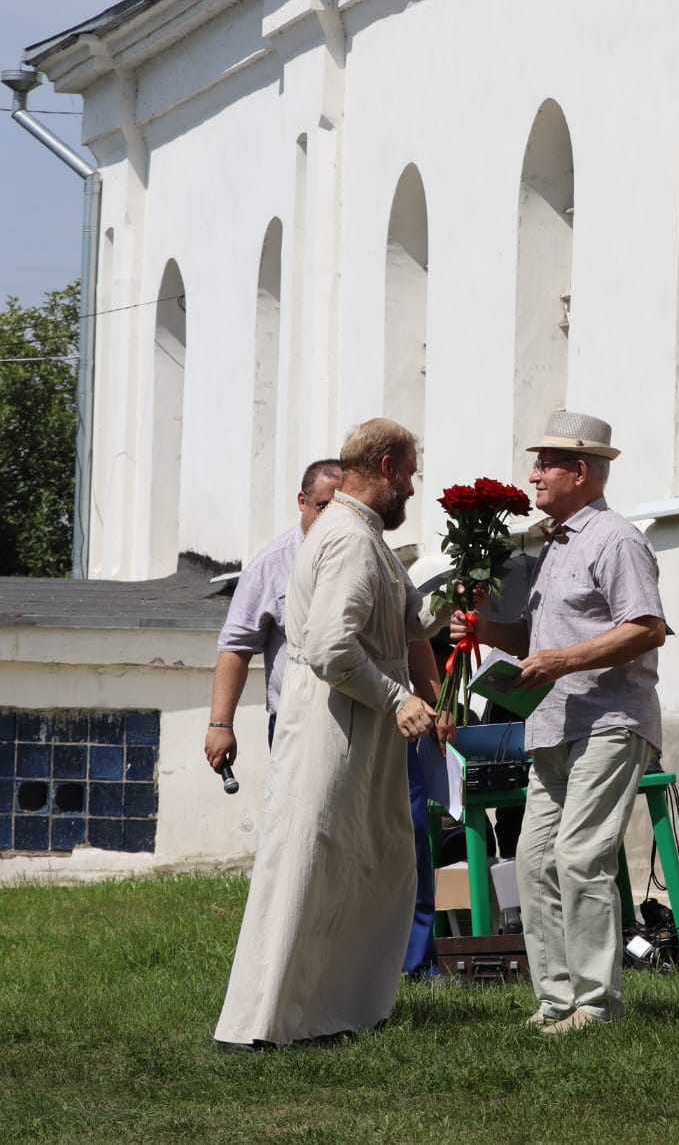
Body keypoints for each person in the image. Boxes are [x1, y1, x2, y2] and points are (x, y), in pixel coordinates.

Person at [214, 418, 452, 1049]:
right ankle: (270, 1021)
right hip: (334, 727)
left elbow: (405, 622)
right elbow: (328, 648)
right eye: (409, 474)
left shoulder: (363, 534)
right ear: (384, 467)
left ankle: (330, 1011)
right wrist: (398, 697)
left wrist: (461, 588)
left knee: (365, 866)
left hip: (353, 726)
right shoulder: (349, 538)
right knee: (313, 867)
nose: (412, 488)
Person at [470, 410, 668, 1035]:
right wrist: (483, 630)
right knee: (533, 863)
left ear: (580, 471)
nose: (533, 475)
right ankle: (558, 1002)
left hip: (608, 720)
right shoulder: (552, 545)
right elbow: (539, 637)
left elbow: (646, 628)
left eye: (545, 464)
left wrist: (562, 661)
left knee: (581, 856)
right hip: (550, 724)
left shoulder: (616, 539)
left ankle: (598, 1005)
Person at [205, 458, 342, 772]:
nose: (331, 520)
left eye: (340, 510)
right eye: (323, 507)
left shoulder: (370, 553)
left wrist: (433, 701)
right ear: (302, 501)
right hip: (297, 723)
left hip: (362, 720)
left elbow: (408, 628)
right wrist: (220, 725)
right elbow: (236, 647)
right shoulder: (270, 565)